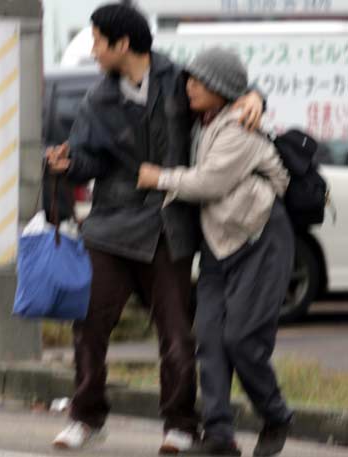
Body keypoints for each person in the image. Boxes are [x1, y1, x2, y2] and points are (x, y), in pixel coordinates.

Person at [46, 4, 264, 453]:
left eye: (97, 40)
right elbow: (92, 160)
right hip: (109, 223)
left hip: (170, 222)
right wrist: (69, 164)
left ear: (122, 44)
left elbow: (230, 89)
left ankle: (180, 424)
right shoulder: (96, 99)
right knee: (89, 324)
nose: (93, 49)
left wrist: (255, 96)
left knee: (177, 332)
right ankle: (86, 416)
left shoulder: (180, 79)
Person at [138, 47, 295, 457]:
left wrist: (158, 178)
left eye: (199, 82)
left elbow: (208, 182)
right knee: (208, 339)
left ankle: (276, 414)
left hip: (259, 238)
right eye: (188, 79)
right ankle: (220, 436)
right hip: (216, 244)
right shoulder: (200, 121)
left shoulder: (239, 126)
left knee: (241, 339)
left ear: (222, 89)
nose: (189, 87)